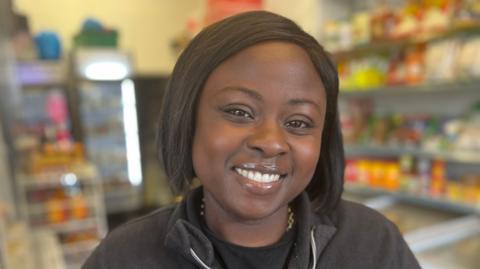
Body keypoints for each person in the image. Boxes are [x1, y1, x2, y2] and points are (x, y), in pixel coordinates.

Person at [83, 11, 420, 269]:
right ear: (187, 118)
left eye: (299, 122)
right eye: (240, 112)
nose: (271, 143)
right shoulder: (124, 258)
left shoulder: (373, 245)